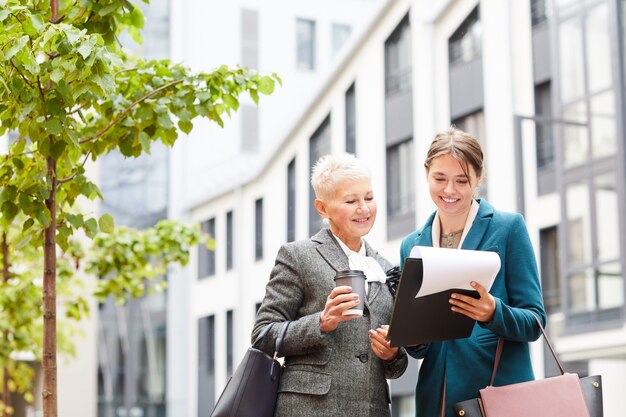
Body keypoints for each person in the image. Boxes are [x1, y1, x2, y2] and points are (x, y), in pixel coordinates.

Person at [399, 127, 547, 417]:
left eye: (461, 180)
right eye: (439, 178)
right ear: (427, 174)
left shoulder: (507, 228)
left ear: (478, 179)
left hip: (496, 394)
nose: (449, 190)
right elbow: (419, 349)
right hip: (437, 399)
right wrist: (410, 335)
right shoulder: (411, 245)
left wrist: (493, 312)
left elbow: (535, 321)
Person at [252, 152, 408, 417]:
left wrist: (392, 354)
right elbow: (263, 335)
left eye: (369, 198)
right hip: (309, 409)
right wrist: (320, 323)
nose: (364, 208)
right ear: (322, 208)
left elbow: (395, 366)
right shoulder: (298, 256)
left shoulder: (386, 268)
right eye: (351, 200)